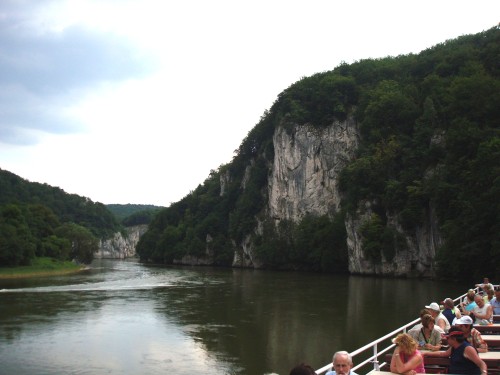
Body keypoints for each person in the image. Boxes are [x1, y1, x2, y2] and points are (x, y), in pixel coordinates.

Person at [422, 326, 487, 374]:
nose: (447, 340)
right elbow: (443, 354)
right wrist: (425, 353)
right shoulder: (454, 347)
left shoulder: (467, 349)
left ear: (454, 339)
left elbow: (481, 363)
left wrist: (484, 373)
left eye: (448, 338)